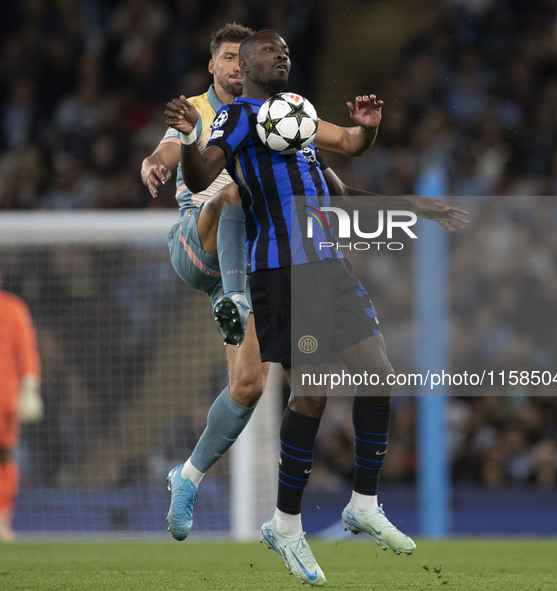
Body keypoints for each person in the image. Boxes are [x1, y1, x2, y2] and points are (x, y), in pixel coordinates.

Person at [170, 29, 469, 586]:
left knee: (378, 375)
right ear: (249, 65)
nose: (281, 55)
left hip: (329, 266)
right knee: (311, 394)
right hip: (281, 274)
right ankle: (285, 524)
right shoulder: (235, 121)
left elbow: (347, 164)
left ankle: (363, 503)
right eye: (270, 51)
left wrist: (379, 146)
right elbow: (199, 175)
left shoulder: (299, 114)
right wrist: (190, 136)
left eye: (285, 50)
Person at [142, 22, 387, 542]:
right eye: (227, 57)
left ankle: (186, 476)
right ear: (216, 66)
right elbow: (170, 155)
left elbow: (338, 150)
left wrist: (364, 145)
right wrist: (158, 158)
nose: (236, 66)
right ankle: (235, 298)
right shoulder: (200, 109)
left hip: (250, 256)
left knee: (249, 385)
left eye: (241, 58)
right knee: (231, 192)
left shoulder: (280, 113)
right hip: (199, 242)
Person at [0, 270, 43, 542]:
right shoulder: (15, 308)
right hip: (6, 397)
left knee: (4, 458)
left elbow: (25, 350)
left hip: (5, 400)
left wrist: (30, 388)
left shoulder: (14, 308)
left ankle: (2, 519)